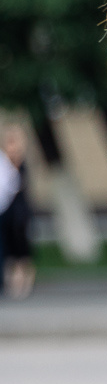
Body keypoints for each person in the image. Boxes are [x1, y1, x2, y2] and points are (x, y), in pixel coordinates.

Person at [1, 126, 33, 298]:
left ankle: (23, 285)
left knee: (22, 251)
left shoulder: (21, 165)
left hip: (20, 216)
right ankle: (10, 284)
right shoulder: (3, 164)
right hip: (6, 214)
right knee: (8, 252)